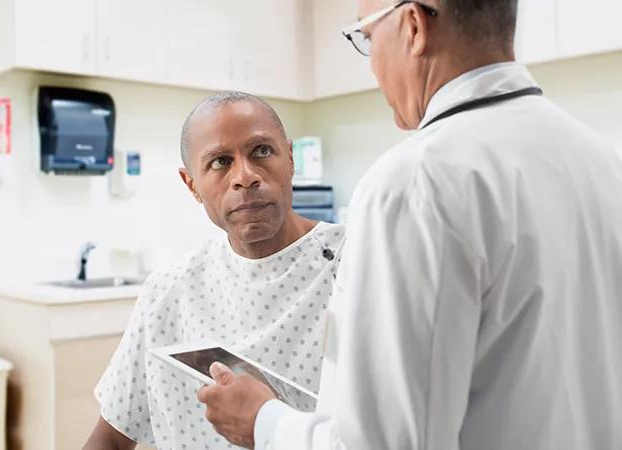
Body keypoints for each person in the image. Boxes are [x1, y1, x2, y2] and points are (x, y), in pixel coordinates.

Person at [197, 1, 622, 449]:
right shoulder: (603, 162)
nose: (374, 66)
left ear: (413, 26)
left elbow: (388, 443)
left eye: (367, 37)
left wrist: (263, 421)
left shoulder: (416, 183)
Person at [83, 91, 345, 450]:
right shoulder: (169, 292)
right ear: (191, 184)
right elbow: (111, 438)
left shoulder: (354, 264)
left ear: (290, 159)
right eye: (220, 162)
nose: (245, 176)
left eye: (262, 152)